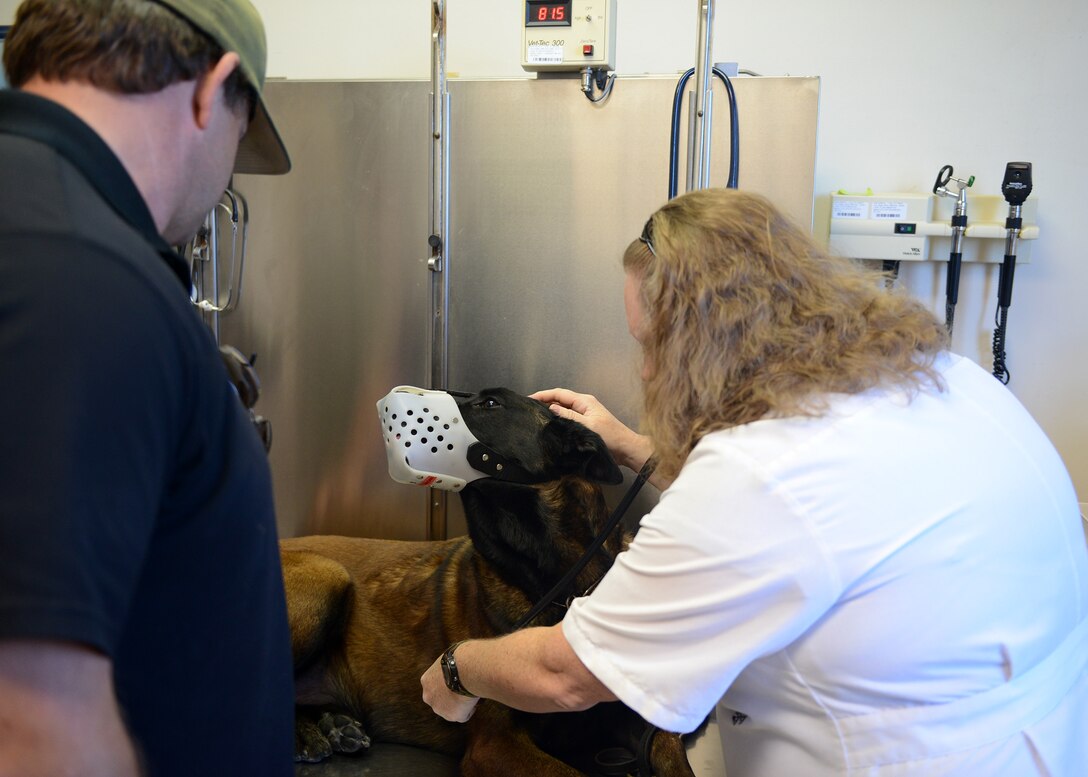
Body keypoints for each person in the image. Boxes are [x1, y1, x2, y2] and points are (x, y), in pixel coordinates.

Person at [422, 188, 1088, 775]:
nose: (647, 371)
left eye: (651, 344)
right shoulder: (947, 377)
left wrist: (459, 669)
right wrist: (631, 446)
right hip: (1042, 739)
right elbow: (808, 512)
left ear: (702, 343)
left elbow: (567, 674)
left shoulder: (757, 475)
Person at [0, 1, 295, 775]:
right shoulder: (80, 271)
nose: (225, 175)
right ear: (212, 88)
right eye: (239, 138)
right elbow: (30, 727)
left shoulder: (38, 220)